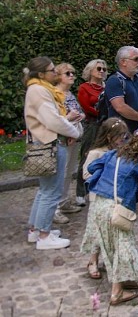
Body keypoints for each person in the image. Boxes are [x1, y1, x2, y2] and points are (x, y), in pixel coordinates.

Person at [85, 129, 138, 305]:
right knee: (122, 245)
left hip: (99, 203)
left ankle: (124, 279)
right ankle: (116, 292)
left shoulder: (113, 153)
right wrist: (132, 196)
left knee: (110, 244)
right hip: (117, 206)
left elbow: (93, 167)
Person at [24, 57, 83, 250]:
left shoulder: (38, 89)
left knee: (44, 191)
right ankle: (44, 235)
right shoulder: (40, 91)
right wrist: (73, 132)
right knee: (51, 192)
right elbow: (53, 120)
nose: (55, 73)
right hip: (51, 144)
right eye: (52, 71)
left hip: (46, 142)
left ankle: (35, 230)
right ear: (41, 74)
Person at [80, 118, 130, 280]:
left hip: (117, 198)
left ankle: (114, 260)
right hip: (99, 199)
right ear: (109, 136)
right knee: (97, 232)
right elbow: (86, 174)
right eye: (119, 136)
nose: (123, 139)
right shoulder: (96, 153)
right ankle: (92, 261)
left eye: (124, 135)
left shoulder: (122, 152)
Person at [54, 62, 86, 222]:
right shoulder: (54, 95)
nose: (72, 75)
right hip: (62, 139)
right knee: (60, 173)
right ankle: (54, 209)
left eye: (73, 73)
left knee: (68, 172)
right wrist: (70, 118)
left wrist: (79, 116)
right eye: (68, 73)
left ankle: (63, 201)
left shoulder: (70, 94)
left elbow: (79, 112)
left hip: (74, 136)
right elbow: (53, 120)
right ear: (58, 76)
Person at [76, 59, 108, 206]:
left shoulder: (106, 87)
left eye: (103, 69)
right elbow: (86, 106)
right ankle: (80, 192)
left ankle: (99, 188)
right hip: (92, 124)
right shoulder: (84, 87)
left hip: (105, 124)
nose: (101, 71)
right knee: (86, 155)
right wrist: (101, 113)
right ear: (90, 71)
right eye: (98, 69)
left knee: (104, 156)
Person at [106, 46, 138, 134]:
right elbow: (120, 107)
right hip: (122, 133)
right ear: (123, 62)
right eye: (136, 59)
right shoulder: (114, 80)